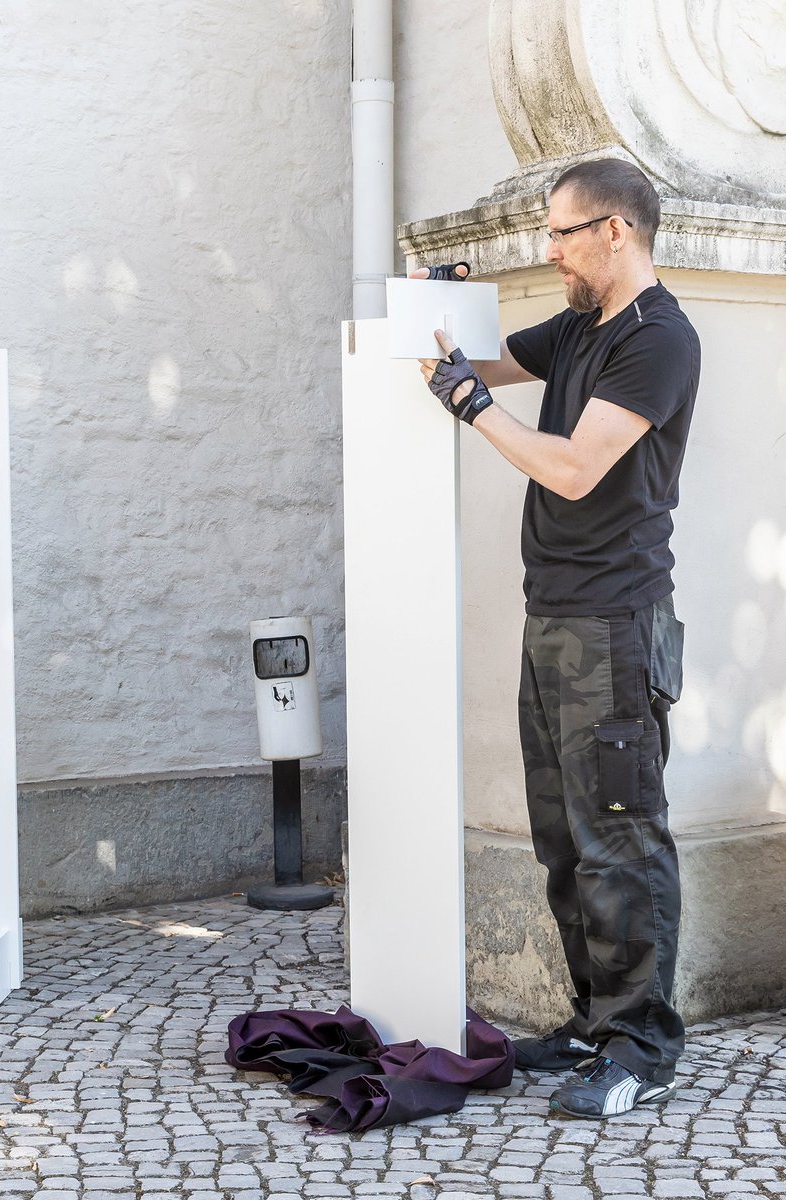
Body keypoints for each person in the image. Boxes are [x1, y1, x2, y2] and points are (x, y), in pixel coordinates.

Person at [415, 158, 699, 1118]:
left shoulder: (660, 341)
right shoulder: (583, 326)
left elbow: (576, 468)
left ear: (615, 230)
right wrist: (438, 318)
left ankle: (641, 1046)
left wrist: (472, 406)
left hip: (615, 625)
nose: (550, 250)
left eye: (562, 233)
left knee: (620, 841)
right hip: (556, 618)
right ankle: (593, 1019)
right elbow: (489, 360)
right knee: (563, 841)